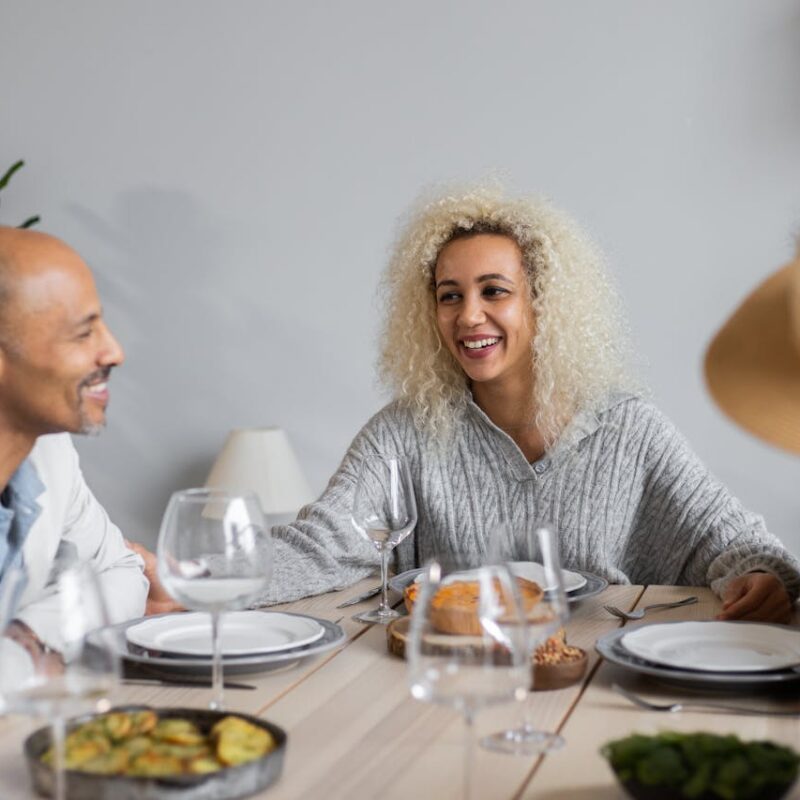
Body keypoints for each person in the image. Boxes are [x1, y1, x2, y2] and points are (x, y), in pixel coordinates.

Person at [140, 184, 799, 622]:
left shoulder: (629, 429)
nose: (469, 316)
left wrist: (763, 577)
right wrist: (192, 575)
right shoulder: (405, 433)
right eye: (449, 294)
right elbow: (322, 545)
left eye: (494, 290)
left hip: (595, 684)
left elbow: (738, 543)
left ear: (543, 301)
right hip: (442, 686)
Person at [0, 226, 147, 673]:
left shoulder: (49, 450)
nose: (115, 351)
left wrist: (28, 637)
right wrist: (26, 665)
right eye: (83, 334)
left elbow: (124, 576)